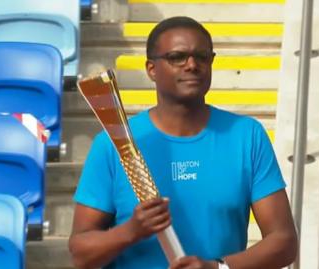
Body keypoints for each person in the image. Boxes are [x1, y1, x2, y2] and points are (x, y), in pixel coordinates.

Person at [69, 16, 298, 269]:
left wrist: (217, 267)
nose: (192, 65)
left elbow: (284, 242)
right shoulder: (112, 144)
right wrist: (131, 231)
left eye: (202, 57)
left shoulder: (247, 136)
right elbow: (80, 254)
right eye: (177, 57)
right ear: (151, 69)